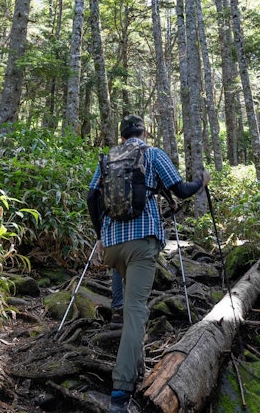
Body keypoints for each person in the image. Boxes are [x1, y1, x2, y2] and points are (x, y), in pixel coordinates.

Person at [87, 115, 208, 413]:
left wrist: (100, 236)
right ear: (144, 133)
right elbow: (181, 189)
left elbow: (92, 197)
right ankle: (120, 392)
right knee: (136, 313)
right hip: (142, 243)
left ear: (122, 136)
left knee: (131, 303)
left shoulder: (109, 158)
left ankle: (137, 369)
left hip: (112, 244)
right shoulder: (152, 154)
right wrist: (201, 182)